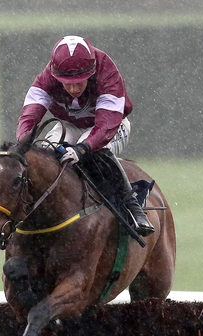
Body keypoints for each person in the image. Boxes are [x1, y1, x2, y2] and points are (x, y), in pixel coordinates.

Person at [15, 35, 154, 236]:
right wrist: (23, 144)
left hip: (111, 127)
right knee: (43, 153)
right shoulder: (47, 77)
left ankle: (133, 209)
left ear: (91, 73)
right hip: (69, 125)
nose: (73, 89)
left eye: (79, 82)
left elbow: (106, 124)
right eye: (66, 83)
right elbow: (29, 116)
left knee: (93, 152)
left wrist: (82, 149)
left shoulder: (107, 73)